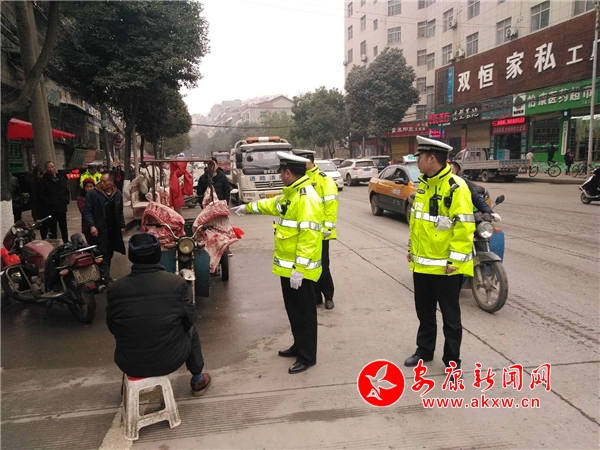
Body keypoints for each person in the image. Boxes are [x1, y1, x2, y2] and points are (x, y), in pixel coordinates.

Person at [231, 152, 324, 374]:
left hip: (300, 271)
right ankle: (298, 345)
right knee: (294, 311)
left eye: (281, 172)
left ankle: (307, 356)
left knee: (304, 314)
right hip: (289, 268)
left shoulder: (306, 198)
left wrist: (299, 269)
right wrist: (248, 208)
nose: (280, 176)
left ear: (288, 173)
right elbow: (272, 205)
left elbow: (309, 238)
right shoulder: (292, 194)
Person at [106, 233, 211, 396]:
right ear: (157, 254)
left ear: (131, 256)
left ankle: (131, 382)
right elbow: (188, 319)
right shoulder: (176, 284)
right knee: (191, 330)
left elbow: (113, 326)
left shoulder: (115, 289)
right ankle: (198, 379)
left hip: (129, 362)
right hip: (169, 360)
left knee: (128, 331)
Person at [404, 136, 475, 372]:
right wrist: (411, 249)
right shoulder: (424, 186)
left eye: (419, 158)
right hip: (422, 265)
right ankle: (424, 351)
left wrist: (455, 260)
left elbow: (464, 227)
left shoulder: (456, 187)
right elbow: (418, 223)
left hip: (446, 268)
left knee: (451, 318)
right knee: (424, 313)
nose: (417, 162)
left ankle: (452, 362)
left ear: (432, 159)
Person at [292, 149, 338, 310]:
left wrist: (327, 228)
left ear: (308, 161)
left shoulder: (323, 180)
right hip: (304, 232)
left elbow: (331, 206)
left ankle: (328, 296)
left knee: (323, 267)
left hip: (320, 233)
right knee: (308, 266)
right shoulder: (299, 179)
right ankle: (316, 296)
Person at [83, 172, 125, 283]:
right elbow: (87, 211)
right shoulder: (93, 194)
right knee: (100, 253)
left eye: (104, 181)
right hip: (99, 229)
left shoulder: (117, 194)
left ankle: (104, 276)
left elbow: (120, 211)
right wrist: (92, 226)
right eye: (101, 181)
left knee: (109, 252)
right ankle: (104, 278)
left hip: (112, 229)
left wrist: (122, 225)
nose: (101, 183)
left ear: (111, 182)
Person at [39, 161, 70, 242]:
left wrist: (66, 200)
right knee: (53, 228)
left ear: (55, 167)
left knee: (64, 227)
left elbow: (66, 190)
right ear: (46, 169)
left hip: (62, 207)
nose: (51, 169)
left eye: (52, 167)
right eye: (49, 167)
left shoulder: (61, 178)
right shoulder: (44, 181)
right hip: (51, 209)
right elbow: (41, 195)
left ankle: (66, 243)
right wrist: (49, 202)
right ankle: (55, 243)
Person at [77, 178, 96, 243]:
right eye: (87, 187)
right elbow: (84, 211)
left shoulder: (97, 196)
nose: (89, 188)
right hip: (87, 226)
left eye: (91, 186)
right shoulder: (81, 199)